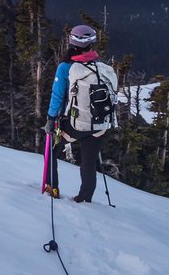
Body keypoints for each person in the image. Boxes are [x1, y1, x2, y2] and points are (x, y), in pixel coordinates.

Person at [43, 24, 118, 203]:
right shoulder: (100, 68)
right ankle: (84, 199)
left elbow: (58, 96)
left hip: (74, 125)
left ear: (71, 42)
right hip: (99, 125)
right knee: (89, 163)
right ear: (92, 44)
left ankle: (51, 187)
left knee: (52, 149)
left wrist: (51, 119)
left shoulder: (65, 67)